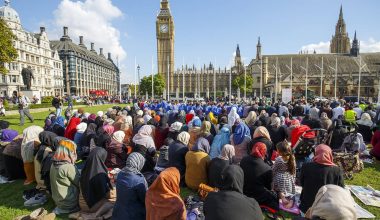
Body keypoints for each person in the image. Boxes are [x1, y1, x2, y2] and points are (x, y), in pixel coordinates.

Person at [299, 144, 344, 213]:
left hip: (307, 207)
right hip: (327, 208)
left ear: (316, 153)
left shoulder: (306, 166)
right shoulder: (337, 170)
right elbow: (341, 189)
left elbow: (301, 183)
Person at [240, 142, 278, 211]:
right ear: (264, 152)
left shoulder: (244, 160)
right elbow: (269, 187)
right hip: (258, 196)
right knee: (274, 196)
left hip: (243, 192)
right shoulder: (267, 168)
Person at [78, 148, 114, 219]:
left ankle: (83, 214)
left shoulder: (86, 168)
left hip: (82, 202)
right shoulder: (99, 173)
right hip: (90, 205)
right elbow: (105, 194)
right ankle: (93, 216)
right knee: (116, 204)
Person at [112, 152, 147, 220]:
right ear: (139, 162)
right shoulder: (139, 179)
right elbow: (144, 199)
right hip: (133, 215)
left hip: (118, 213)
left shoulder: (120, 174)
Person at [50, 139, 80, 215]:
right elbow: (79, 183)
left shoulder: (54, 162)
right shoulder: (67, 166)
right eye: (73, 151)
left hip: (58, 200)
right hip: (68, 203)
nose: (75, 153)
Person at [273, 140, 296, 209]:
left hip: (279, 178)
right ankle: (291, 201)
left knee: (279, 190)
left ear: (280, 152)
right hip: (289, 178)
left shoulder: (278, 159)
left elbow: (273, 170)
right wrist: (293, 179)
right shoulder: (292, 158)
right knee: (291, 193)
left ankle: (283, 198)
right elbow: (294, 170)